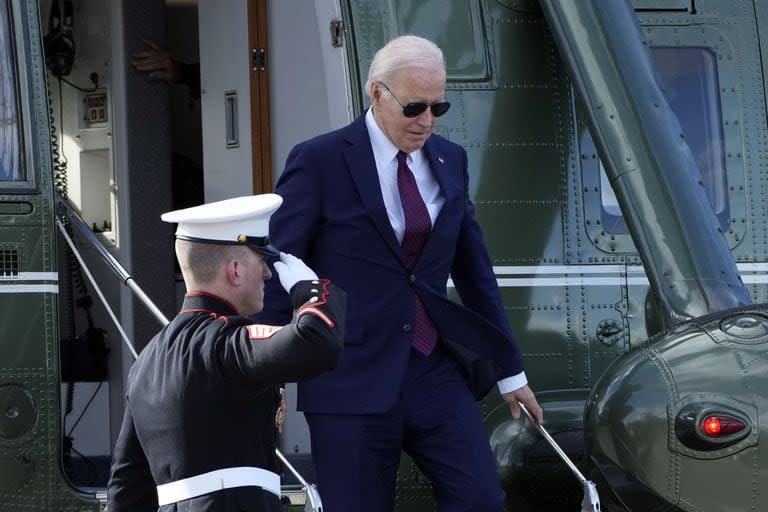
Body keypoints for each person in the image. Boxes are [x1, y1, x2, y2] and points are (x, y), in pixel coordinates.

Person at [254, 35, 543, 511]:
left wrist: (510, 370)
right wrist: (262, 370)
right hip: (348, 376)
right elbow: (280, 262)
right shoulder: (320, 160)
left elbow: (475, 270)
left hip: (434, 369)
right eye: (414, 107)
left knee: (482, 499)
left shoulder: (451, 160)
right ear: (377, 94)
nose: (427, 121)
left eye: (438, 107)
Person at [107, 193, 346, 511]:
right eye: (261, 261)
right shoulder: (225, 342)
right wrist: (311, 290)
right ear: (234, 270)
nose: (269, 274)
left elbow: (127, 487)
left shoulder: (147, 360)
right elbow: (315, 343)